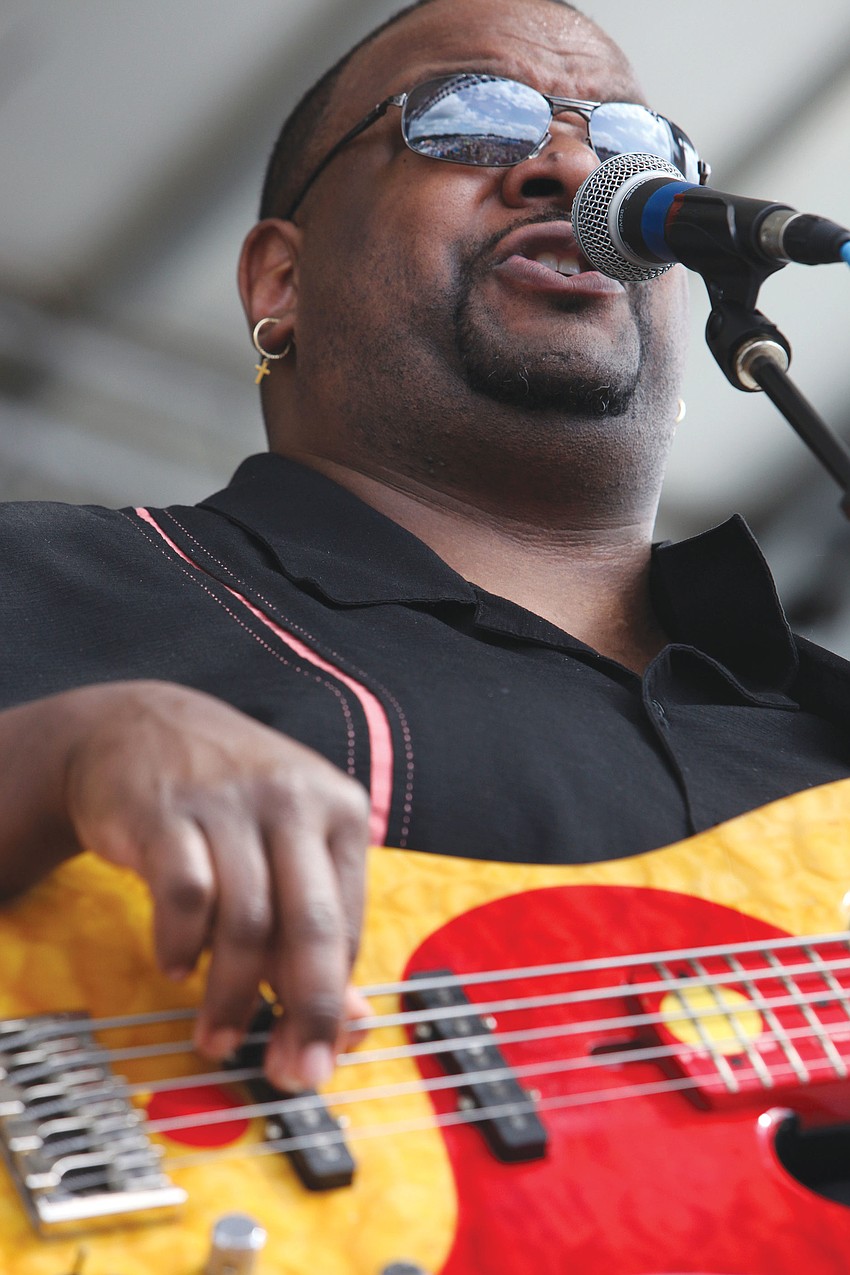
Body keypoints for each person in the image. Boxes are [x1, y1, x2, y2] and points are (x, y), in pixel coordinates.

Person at [1, 0, 850, 1103]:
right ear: (281, 282)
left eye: (633, 141)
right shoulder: (51, 578)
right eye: (473, 116)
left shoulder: (817, 729)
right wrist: (62, 752)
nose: (571, 167)